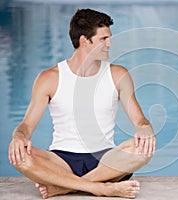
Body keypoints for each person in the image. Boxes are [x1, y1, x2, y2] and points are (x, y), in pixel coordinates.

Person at [8, 8, 155, 199]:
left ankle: (64, 187)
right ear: (85, 40)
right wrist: (18, 137)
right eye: (104, 39)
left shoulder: (118, 74)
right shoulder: (49, 78)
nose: (109, 44)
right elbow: (26, 126)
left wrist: (145, 129)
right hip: (61, 160)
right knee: (20, 157)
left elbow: (140, 120)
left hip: (106, 160)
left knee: (143, 149)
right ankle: (100, 188)